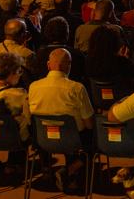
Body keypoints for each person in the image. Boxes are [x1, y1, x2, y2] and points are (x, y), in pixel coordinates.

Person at [28, 49, 94, 193]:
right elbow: (89, 124)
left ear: (48, 65)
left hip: (42, 140)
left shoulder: (33, 87)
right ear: (68, 66)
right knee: (93, 140)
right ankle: (69, 171)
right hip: (73, 140)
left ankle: (46, 170)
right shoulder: (76, 88)